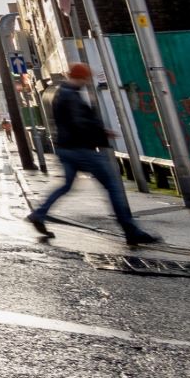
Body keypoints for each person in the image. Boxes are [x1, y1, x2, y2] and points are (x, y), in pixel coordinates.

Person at [28, 63, 162, 247]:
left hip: (65, 148)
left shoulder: (60, 92)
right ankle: (130, 230)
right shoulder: (71, 95)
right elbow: (80, 122)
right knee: (113, 186)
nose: (87, 82)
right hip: (81, 149)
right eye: (86, 78)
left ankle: (39, 213)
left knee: (66, 186)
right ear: (81, 77)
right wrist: (100, 133)